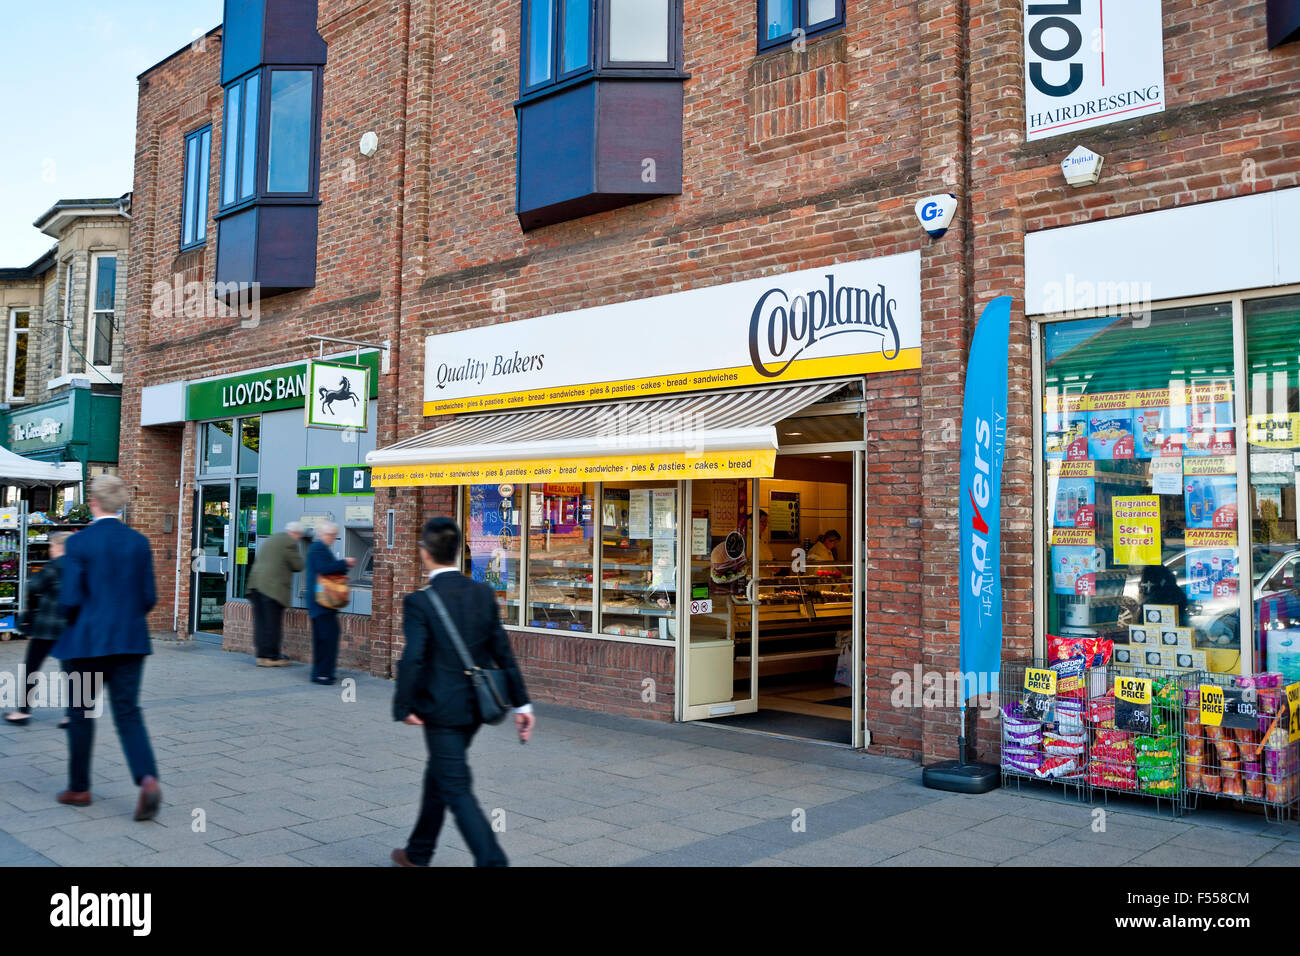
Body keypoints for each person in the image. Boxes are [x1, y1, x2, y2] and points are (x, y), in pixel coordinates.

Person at [391, 516, 533, 868]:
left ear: (425, 553)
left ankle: (493, 861)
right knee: (440, 773)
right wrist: (522, 704)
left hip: (440, 711)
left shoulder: (420, 602)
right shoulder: (482, 593)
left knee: (455, 788)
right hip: (476, 708)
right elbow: (503, 651)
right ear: (459, 552)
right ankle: (418, 852)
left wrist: (403, 705)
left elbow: (412, 659)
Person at [53, 475, 161, 820]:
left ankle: (80, 788)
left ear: (94, 503)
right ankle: (147, 780)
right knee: (128, 713)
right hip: (130, 641)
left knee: (81, 714)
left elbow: (69, 597)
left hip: (86, 644)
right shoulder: (139, 543)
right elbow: (149, 598)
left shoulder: (79, 543)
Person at [4, 531, 72, 725]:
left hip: (46, 627)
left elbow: (33, 585)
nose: (50, 549)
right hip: (68, 627)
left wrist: (31, 608)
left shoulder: (53, 565)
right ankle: (73, 714)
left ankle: (23, 712)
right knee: (71, 671)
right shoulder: (78, 566)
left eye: (52, 545)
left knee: (32, 668)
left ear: (59, 546)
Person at [246, 521, 305, 667]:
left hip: (255, 585)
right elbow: (298, 565)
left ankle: (261, 655)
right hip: (272, 589)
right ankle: (272, 656)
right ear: (296, 533)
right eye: (299, 536)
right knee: (272, 624)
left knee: (261, 623)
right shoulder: (290, 542)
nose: (298, 539)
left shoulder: (272, 538)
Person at [306, 521, 355, 685]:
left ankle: (321, 672)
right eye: (331, 535)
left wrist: (343, 566)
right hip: (322, 602)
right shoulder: (319, 548)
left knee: (324, 638)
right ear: (323, 534)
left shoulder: (318, 547)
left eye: (335, 535)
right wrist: (344, 563)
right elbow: (324, 568)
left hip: (321, 602)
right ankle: (322, 674)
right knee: (327, 638)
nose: (334, 538)